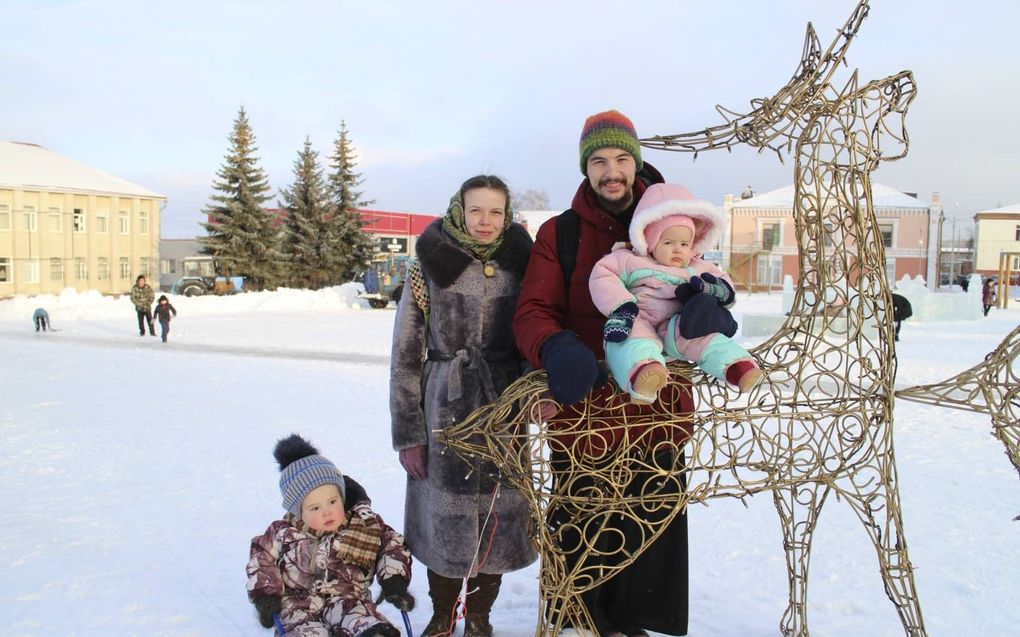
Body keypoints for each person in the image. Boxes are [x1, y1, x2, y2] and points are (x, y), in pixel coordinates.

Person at [513, 110, 692, 637]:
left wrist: (708, 309)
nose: (610, 171)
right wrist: (555, 346)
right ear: (585, 168)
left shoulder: (672, 221)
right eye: (598, 161)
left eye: (619, 159)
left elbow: (705, 276)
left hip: (656, 413)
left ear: (634, 162)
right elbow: (532, 310)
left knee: (648, 543)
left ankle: (635, 626)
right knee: (583, 539)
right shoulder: (560, 234)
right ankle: (577, 624)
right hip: (586, 416)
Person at [389, 175, 537, 637]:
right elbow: (404, 355)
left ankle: (479, 617)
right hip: (442, 408)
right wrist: (409, 433)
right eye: (477, 210)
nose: (486, 221)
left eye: (496, 211)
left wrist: (535, 395)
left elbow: (533, 337)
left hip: (503, 408)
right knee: (446, 523)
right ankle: (441, 612)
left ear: (507, 213)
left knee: (496, 519)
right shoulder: (429, 265)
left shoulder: (524, 263)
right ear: (459, 210)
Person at [590, 183, 763, 403]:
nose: (677, 249)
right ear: (650, 241)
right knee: (632, 340)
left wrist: (717, 290)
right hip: (639, 317)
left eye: (684, 243)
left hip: (677, 325)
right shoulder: (630, 260)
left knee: (705, 339)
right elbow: (602, 275)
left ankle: (737, 367)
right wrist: (622, 305)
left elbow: (724, 283)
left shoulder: (696, 266)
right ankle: (644, 374)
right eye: (668, 242)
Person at [246, 434, 414, 637]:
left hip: (349, 600)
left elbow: (391, 544)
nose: (327, 511)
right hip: (298, 606)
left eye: (333, 502)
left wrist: (393, 578)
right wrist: (266, 594)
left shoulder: (362, 523)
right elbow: (262, 559)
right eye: (315, 507)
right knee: (303, 631)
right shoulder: (283, 532)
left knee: (363, 622)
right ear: (298, 511)